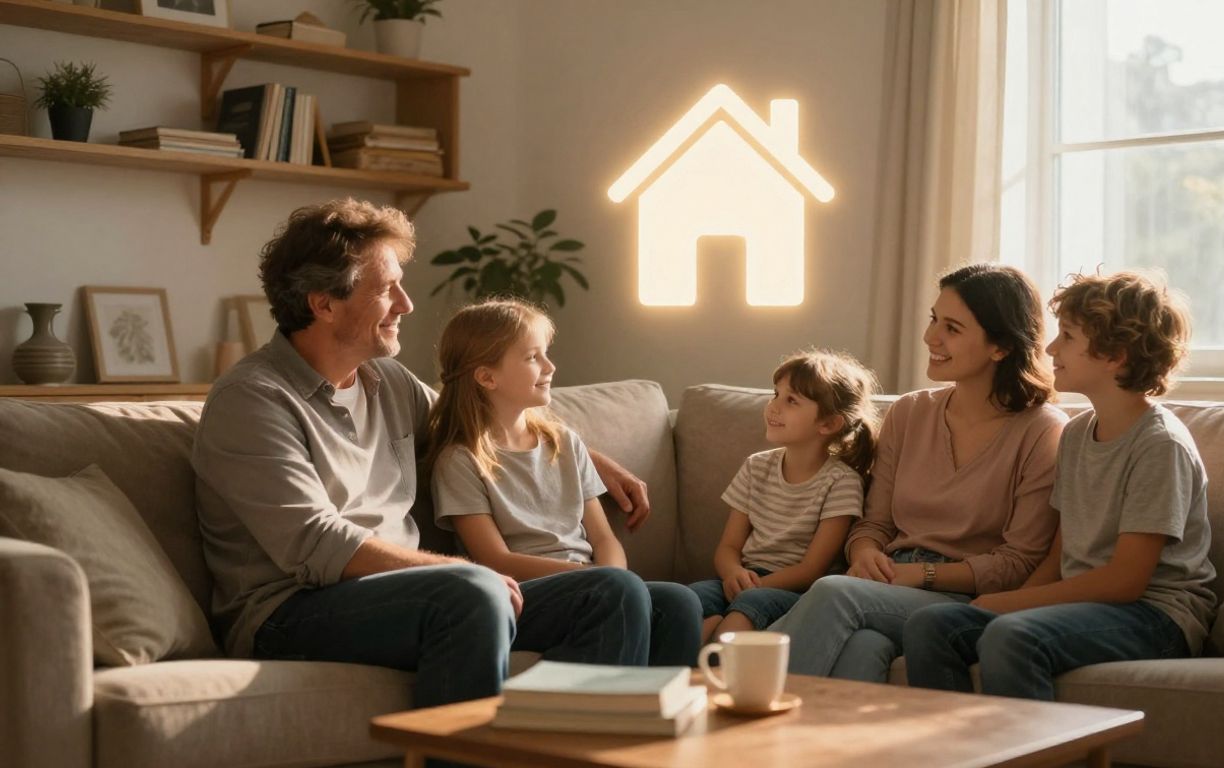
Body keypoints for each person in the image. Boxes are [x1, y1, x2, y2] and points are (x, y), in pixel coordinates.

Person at [192, 199, 665, 710]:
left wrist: (590, 457)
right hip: (290, 609)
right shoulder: (253, 400)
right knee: (472, 593)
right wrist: (458, 572)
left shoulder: (388, 381)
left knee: (621, 596)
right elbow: (315, 543)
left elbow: (477, 422)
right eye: (386, 288)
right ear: (324, 303)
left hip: (414, 593)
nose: (406, 303)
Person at [902, 271, 1217, 700]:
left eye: (1067, 337)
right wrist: (1011, 599)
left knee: (1014, 635)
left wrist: (1011, 606)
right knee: (932, 624)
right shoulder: (1077, 433)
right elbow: (1060, 556)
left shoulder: (1159, 445)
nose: (1050, 348)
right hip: (1084, 605)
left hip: (1155, 615)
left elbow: (1126, 580)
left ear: (1114, 355)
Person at [773, 263, 1067, 682]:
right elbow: (873, 523)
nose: (931, 337)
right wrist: (865, 554)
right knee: (865, 647)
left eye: (952, 327)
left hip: (960, 597)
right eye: (933, 320)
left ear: (999, 346)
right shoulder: (909, 412)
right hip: (887, 582)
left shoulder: (1043, 431)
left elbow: (1018, 562)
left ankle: (745, 721)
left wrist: (921, 574)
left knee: (835, 592)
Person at [425, 298, 702, 665]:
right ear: (487, 377)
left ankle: (652, 713)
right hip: (523, 596)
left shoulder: (564, 444)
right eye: (532, 358)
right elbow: (493, 558)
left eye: (546, 354)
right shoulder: (461, 461)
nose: (550, 366)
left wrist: (614, 576)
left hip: (593, 584)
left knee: (681, 602)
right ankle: (592, 708)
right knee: (615, 589)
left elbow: (603, 537)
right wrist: (596, 578)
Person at [687, 350, 879, 642]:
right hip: (745, 577)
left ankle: (715, 668)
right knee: (685, 601)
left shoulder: (841, 482)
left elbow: (812, 570)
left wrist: (754, 586)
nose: (773, 406)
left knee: (738, 619)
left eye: (791, 401)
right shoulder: (756, 466)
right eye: (775, 394)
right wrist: (733, 573)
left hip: (795, 590)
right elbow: (728, 545)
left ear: (828, 424)